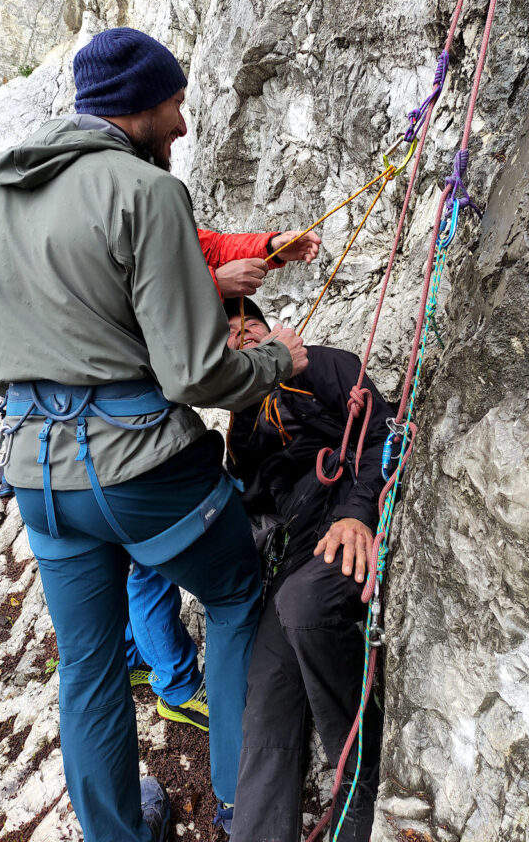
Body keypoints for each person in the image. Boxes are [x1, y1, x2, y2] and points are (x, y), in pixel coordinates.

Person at [0, 27, 308, 842]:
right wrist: (276, 362)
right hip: (147, 473)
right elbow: (196, 377)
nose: (183, 125)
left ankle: (115, 832)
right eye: (176, 104)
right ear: (140, 107)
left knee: (87, 666)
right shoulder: (145, 194)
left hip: (42, 481)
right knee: (231, 597)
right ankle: (236, 800)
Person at [129, 297, 391, 840]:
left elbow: (382, 432)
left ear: (277, 334)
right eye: (228, 334)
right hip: (294, 549)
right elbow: (250, 506)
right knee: (266, 684)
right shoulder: (243, 420)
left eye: (251, 324)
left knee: (302, 608)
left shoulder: (322, 364)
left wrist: (356, 514)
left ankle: (356, 784)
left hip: (338, 520)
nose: (242, 336)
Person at [125, 225, 321, 733]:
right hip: (130, 445)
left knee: (144, 562)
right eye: (234, 336)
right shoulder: (113, 201)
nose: (181, 137)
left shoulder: (129, 194)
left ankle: (139, 651)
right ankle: (176, 685)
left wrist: (271, 247)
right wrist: (214, 284)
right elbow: (126, 308)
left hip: (92, 448)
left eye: (248, 330)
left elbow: (198, 243)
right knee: (150, 564)